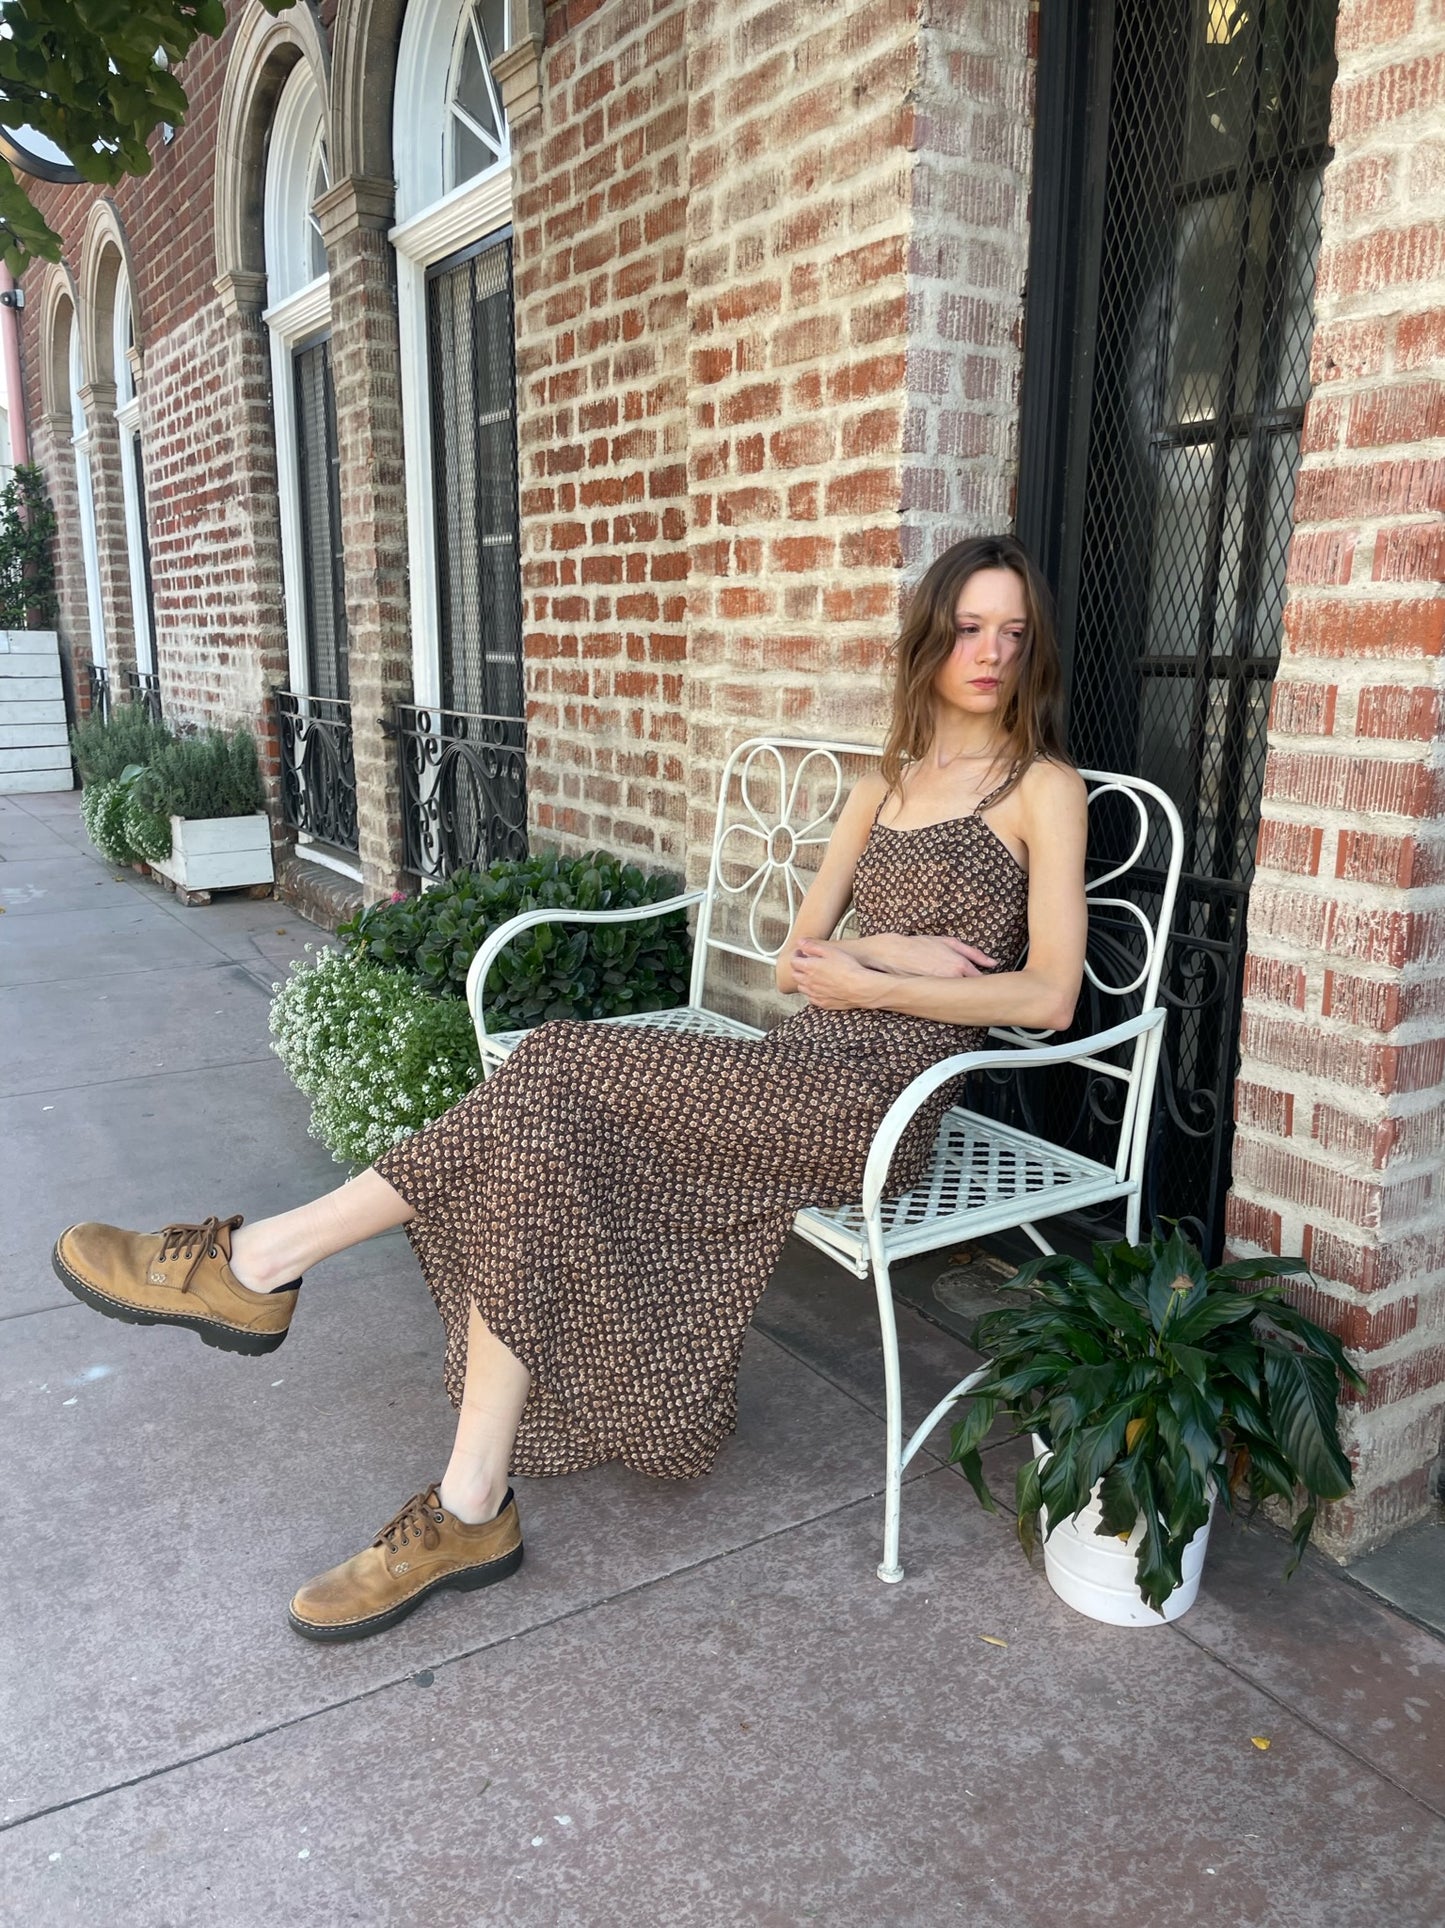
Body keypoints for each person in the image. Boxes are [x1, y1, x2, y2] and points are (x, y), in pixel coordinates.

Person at [51, 533, 1089, 1643]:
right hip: (794, 1055)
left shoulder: (1042, 789)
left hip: (879, 1103)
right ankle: (466, 1500)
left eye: (1012, 632)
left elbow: (1044, 997)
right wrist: (908, 955)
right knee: (543, 1121)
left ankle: (261, 1263)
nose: (990, 652)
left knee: (550, 1065)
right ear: (931, 636)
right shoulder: (881, 782)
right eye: (970, 627)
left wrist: (885, 966)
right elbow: (798, 960)